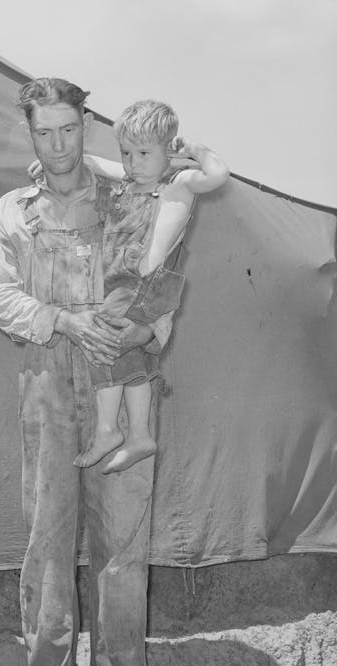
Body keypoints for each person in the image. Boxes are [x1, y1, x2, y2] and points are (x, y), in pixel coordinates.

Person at [0, 78, 170, 666]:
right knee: (47, 544)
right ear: (29, 133)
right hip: (49, 390)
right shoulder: (13, 211)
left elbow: (162, 288)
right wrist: (63, 319)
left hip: (120, 385)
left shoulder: (129, 198)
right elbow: (0, 297)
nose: (60, 144)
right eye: (45, 131)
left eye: (70, 129)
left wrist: (141, 333)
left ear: (86, 126)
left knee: (122, 546)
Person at [73, 100, 229, 473]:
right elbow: (93, 163)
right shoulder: (127, 184)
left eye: (144, 153)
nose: (133, 162)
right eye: (126, 152)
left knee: (104, 341)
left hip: (145, 283)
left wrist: (194, 151)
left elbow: (218, 174)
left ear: (167, 151)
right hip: (127, 286)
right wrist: (57, 166)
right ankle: (140, 434)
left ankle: (107, 430)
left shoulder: (177, 184)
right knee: (134, 358)